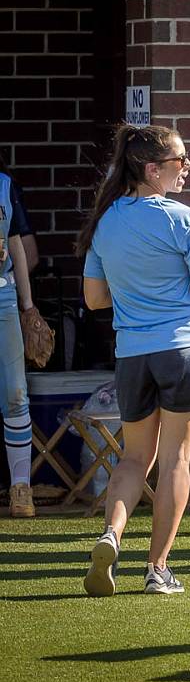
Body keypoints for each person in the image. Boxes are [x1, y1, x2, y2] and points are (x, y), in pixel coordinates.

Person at [79, 125, 190, 596]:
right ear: (153, 168)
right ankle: (157, 568)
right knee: (176, 458)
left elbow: (95, 299)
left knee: (134, 457)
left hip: (132, 354)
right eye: (182, 161)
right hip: (184, 348)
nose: (188, 169)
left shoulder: (106, 221)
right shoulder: (183, 219)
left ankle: (110, 535)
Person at [1, 170, 40, 518]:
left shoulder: (3, 184)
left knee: (15, 392)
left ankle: (20, 486)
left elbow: (16, 242)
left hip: (3, 296)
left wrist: (27, 305)